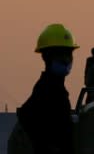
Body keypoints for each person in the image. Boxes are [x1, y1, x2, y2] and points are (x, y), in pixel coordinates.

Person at [13, 23, 80, 154]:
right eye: (60, 55)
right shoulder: (48, 90)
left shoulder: (53, 88)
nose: (66, 60)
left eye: (68, 54)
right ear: (46, 58)